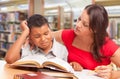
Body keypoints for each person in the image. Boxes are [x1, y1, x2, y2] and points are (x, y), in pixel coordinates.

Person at [19, 4, 120, 79]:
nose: (78, 25)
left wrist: (112, 74)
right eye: (79, 19)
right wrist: (29, 35)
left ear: (95, 29)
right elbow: (46, 36)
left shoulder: (107, 45)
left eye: (85, 24)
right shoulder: (68, 35)